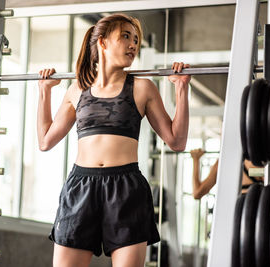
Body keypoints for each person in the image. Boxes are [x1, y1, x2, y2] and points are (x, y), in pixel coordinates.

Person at [37, 13, 191, 267]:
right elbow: (45, 141)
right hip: (80, 187)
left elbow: (176, 141)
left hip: (126, 189)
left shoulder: (143, 88)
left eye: (136, 39)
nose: (133, 45)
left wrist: (182, 88)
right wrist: (44, 92)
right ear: (103, 42)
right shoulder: (76, 90)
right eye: (126, 36)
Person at [190, 148, 270, 199]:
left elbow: (197, 193)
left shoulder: (222, 163)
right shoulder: (252, 165)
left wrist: (195, 160)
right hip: (249, 211)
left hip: (240, 214)